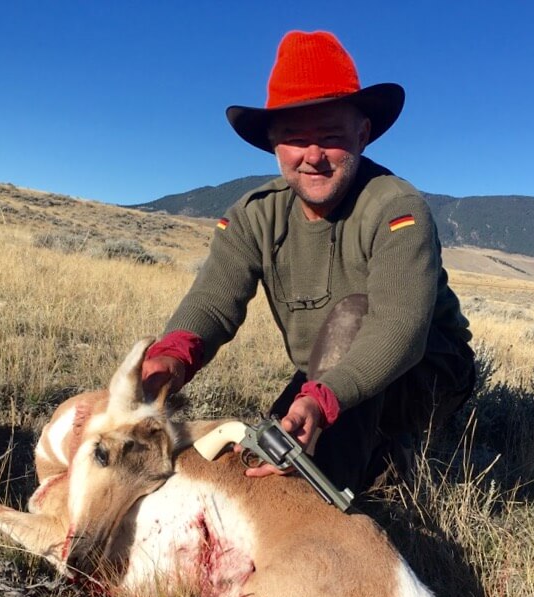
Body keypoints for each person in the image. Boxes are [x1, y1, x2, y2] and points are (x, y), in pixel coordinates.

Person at [142, 30, 475, 495]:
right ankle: (363, 456)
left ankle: (362, 480)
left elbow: (400, 330)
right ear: (274, 144)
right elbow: (214, 302)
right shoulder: (253, 215)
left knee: (304, 471)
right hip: (326, 373)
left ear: (362, 135)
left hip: (426, 374)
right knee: (264, 455)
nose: (313, 157)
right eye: (296, 139)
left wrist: (321, 401)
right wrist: (168, 359)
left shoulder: (397, 207)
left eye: (331, 137)